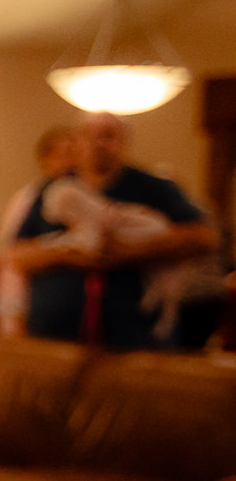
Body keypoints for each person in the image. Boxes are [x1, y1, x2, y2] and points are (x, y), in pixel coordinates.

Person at [12, 112, 217, 347]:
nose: (96, 143)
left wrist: (129, 252)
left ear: (124, 143)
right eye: (88, 135)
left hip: (135, 338)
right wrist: (68, 255)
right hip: (55, 338)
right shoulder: (53, 189)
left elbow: (204, 237)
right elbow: (17, 254)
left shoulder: (154, 188)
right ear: (77, 141)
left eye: (108, 136)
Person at [0, 125, 77, 337]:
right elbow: (13, 258)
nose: (72, 162)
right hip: (37, 312)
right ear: (46, 159)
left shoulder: (85, 198)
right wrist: (12, 316)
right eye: (65, 154)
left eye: (76, 154)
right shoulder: (28, 201)